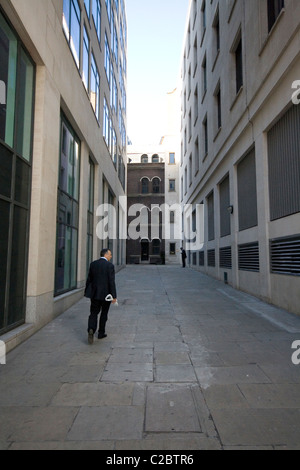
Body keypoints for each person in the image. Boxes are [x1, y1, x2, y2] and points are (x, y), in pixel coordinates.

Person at [85, 248, 117, 344]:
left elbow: (89, 279)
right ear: (106, 255)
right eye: (110, 255)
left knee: (93, 313)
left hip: (94, 294)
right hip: (106, 294)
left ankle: (91, 328)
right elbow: (111, 282)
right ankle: (101, 333)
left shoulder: (93, 264)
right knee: (104, 313)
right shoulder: (109, 266)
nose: (111, 256)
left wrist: (87, 291)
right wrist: (114, 296)